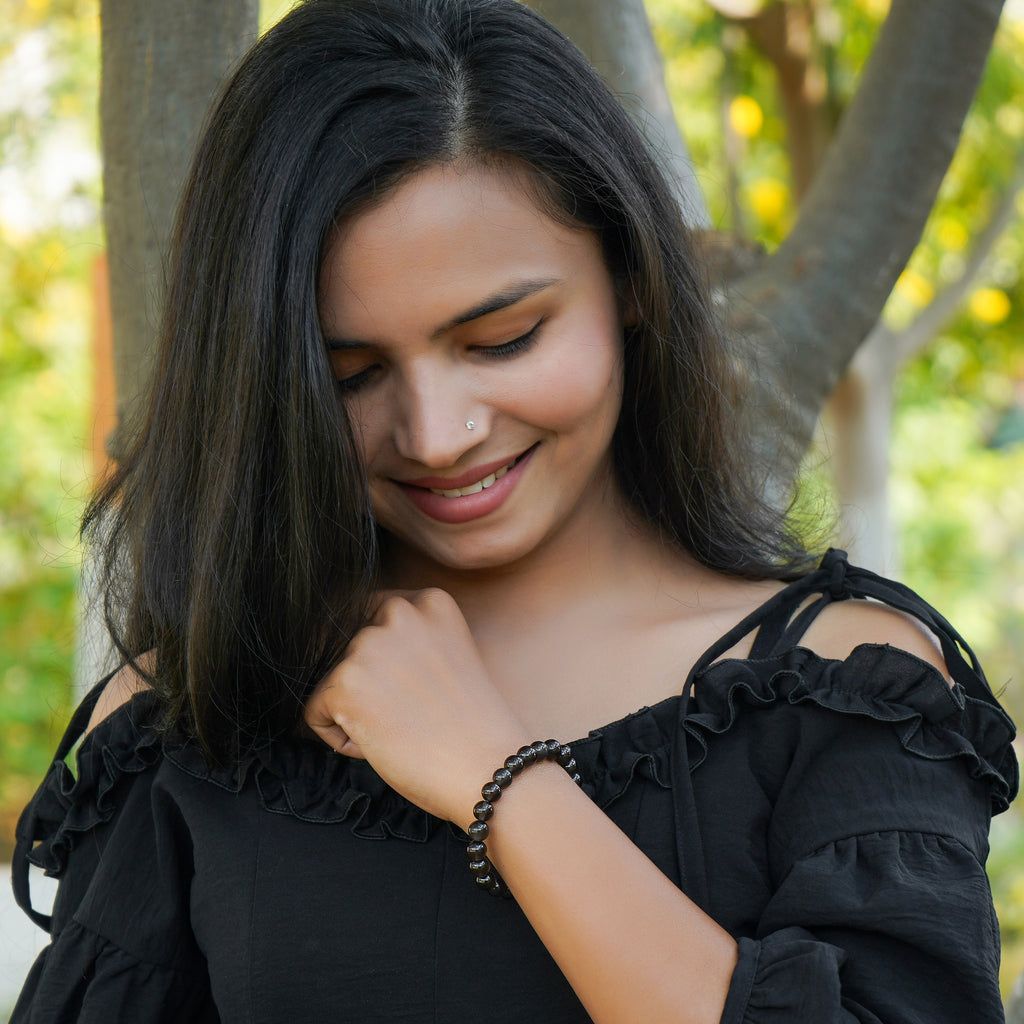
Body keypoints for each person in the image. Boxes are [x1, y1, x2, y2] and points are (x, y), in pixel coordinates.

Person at [11, 0, 1017, 1021]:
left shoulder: (838, 689)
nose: (437, 433)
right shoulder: (197, 709)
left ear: (628, 281)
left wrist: (500, 781)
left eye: (502, 340)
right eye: (348, 375)